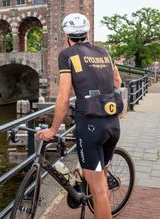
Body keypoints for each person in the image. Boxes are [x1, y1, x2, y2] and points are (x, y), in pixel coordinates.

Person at [37, 13, 122, 219]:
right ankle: (84, 177)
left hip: (90, 126)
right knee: (99, 177)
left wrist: (53, 129)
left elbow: (64, 98)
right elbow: (117, 82)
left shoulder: (67, 55)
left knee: (99, 192)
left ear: (67, 34)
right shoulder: (103, 52)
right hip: (112, 124)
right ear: (87, 32)